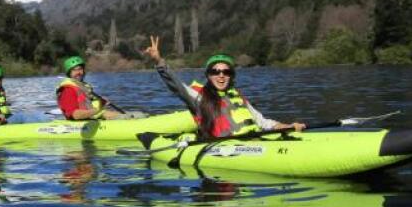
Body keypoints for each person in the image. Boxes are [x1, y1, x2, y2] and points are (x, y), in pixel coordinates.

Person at [144, 36, 305, 139]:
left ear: (231, 75)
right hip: (223, 148)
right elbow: (176, 85)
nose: (221, 75)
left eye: (226, 71)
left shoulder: (237, 96)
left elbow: (263, 122)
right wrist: (159, 61)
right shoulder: (198, 97)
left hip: (254, 140)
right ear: (208, 75)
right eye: (216, 71)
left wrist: (287, 127)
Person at [56, 55, 146, 120]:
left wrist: (100, 103)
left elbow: (92, 106)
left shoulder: (84, 87)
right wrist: (97, 110)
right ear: (69, 73)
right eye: (74, 70)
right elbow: (75, 115)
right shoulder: (67, 89)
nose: (79, 72)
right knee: (127, 117)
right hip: (81, 124)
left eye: (80, 69)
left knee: (138, 115)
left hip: (95, 118)